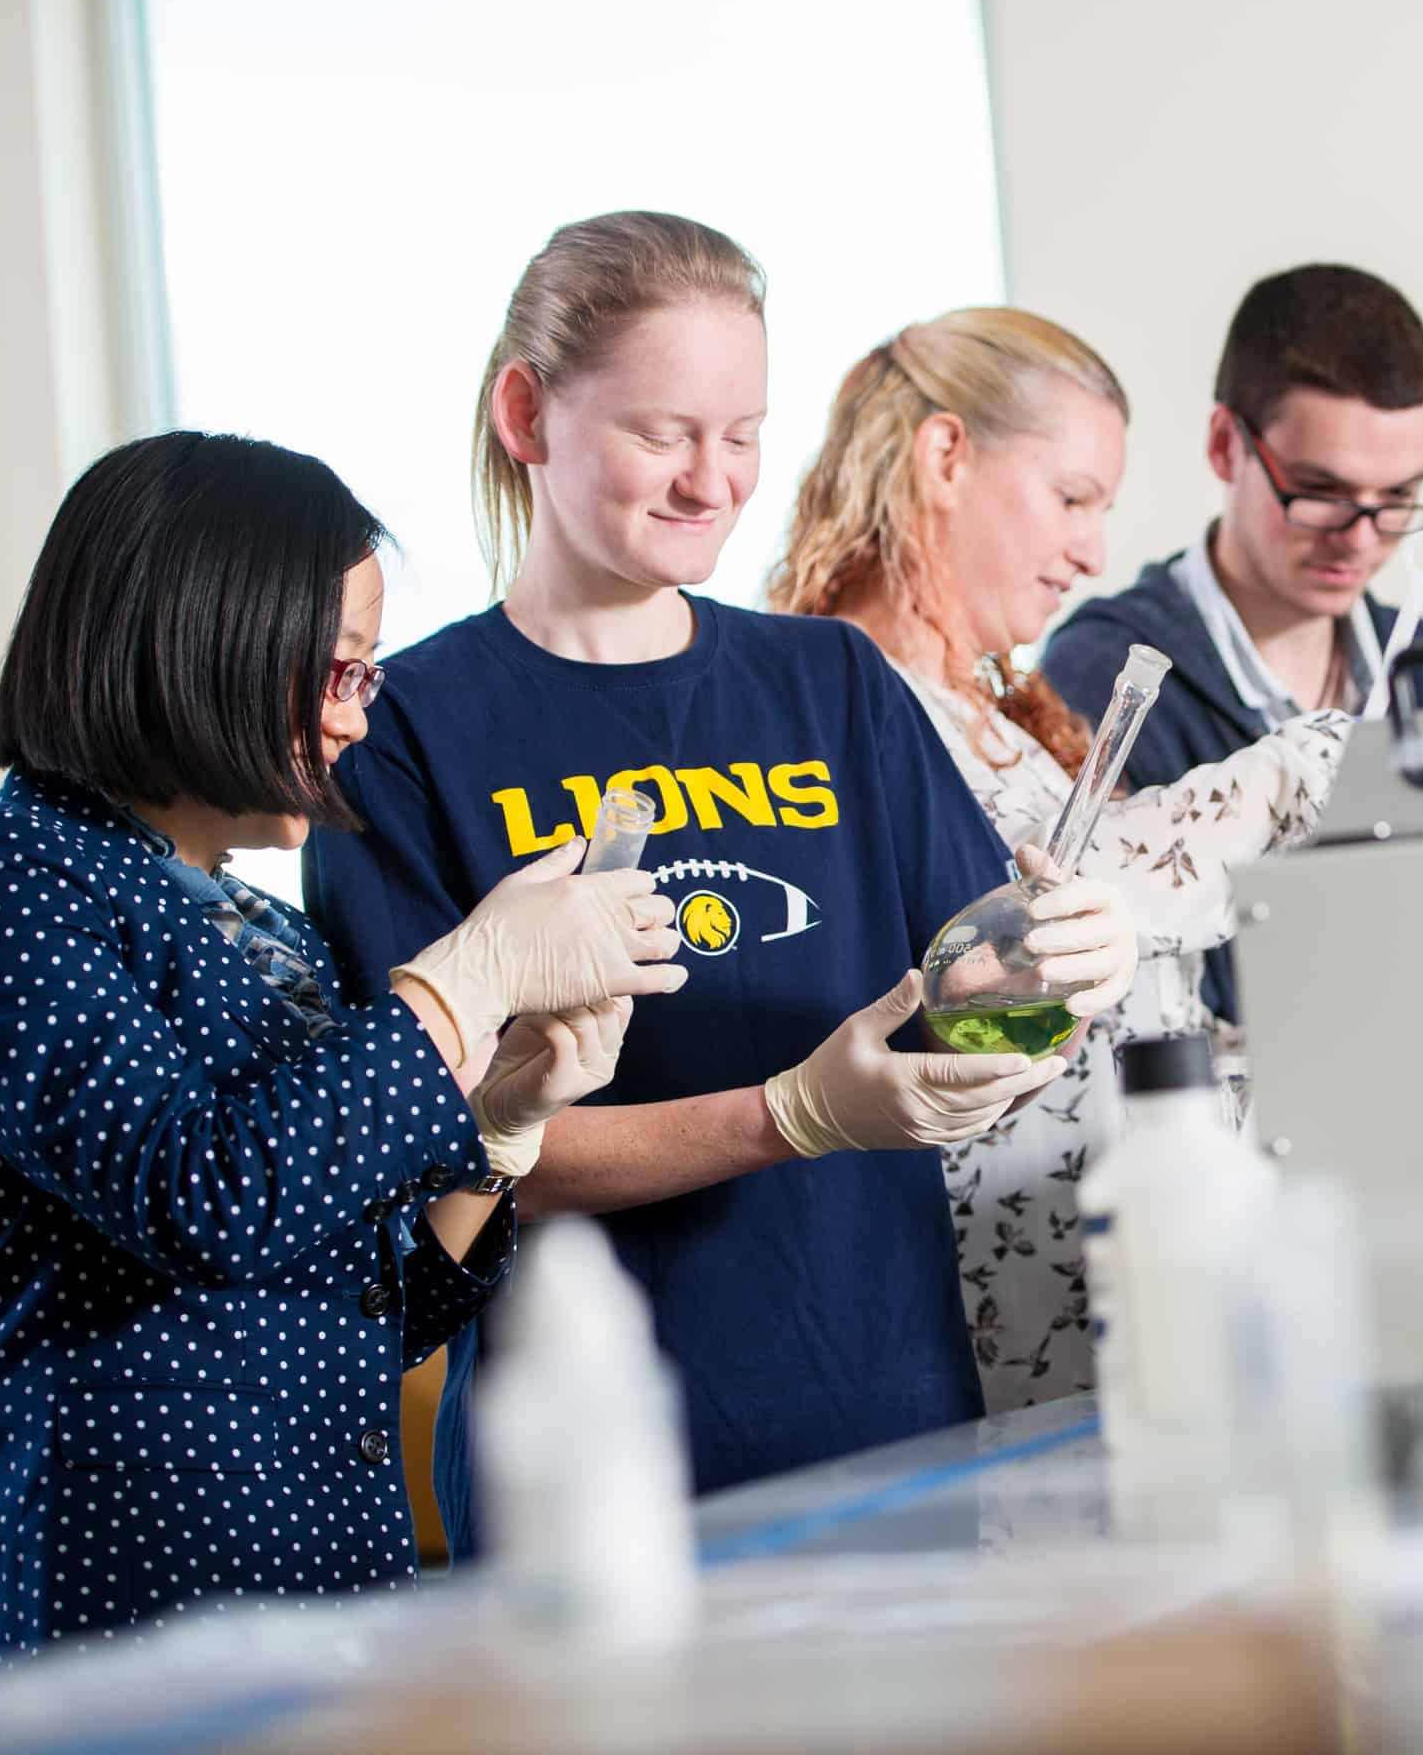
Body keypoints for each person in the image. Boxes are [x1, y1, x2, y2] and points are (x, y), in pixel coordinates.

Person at [302, 212, 1137, 1540]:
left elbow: (961, 1011)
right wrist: (789, 1114)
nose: (712, 480)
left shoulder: (832, 686)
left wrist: (1065, 967)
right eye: (660, 433)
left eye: (743, 435)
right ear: (528, 413)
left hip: (893, 1442)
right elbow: (444, 1158)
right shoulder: (402, 732)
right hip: (592, 1479)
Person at [0, 432, 677, 1667]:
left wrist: (498, 1129)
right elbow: (206, 1198)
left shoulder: (269, 930)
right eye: (345, 671)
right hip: (122, 1619)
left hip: (332, 1587)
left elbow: (372, 1312)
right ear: (200, 645)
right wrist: (467, 977)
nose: (363, 715)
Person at [768, 306, 1349, 1410]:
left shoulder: (1000, 716)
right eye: (1070, 498)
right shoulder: (834, 706)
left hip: (1138, 1276)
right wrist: (1275, 781)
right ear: (944, 456)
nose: (1088, 551)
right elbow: (967, 977)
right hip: (1012, 1333)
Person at [1042, 263, 1423, 1026]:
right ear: (1226, 446)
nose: (1360, 538)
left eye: (1398, 498)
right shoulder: (1106, 681)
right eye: (1319, 492)